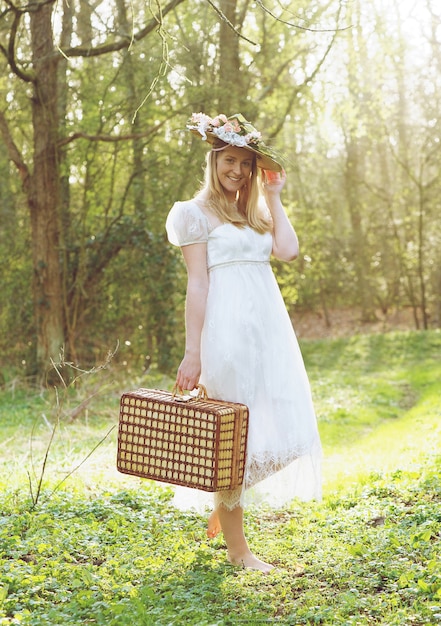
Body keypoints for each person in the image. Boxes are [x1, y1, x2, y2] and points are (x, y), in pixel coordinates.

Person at [166, 113, 322, 573]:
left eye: (246, 164)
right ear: (215, 160)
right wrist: (193, 352)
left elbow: (288, 251)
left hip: (270, 333)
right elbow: (197, 284)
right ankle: (239, 551)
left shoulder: (254, 211)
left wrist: (273, 195)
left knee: (291, 432)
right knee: (232, 440)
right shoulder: (193, 214)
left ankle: (223, 501)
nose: (238, 170)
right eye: (230, 160)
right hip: (226, 332)